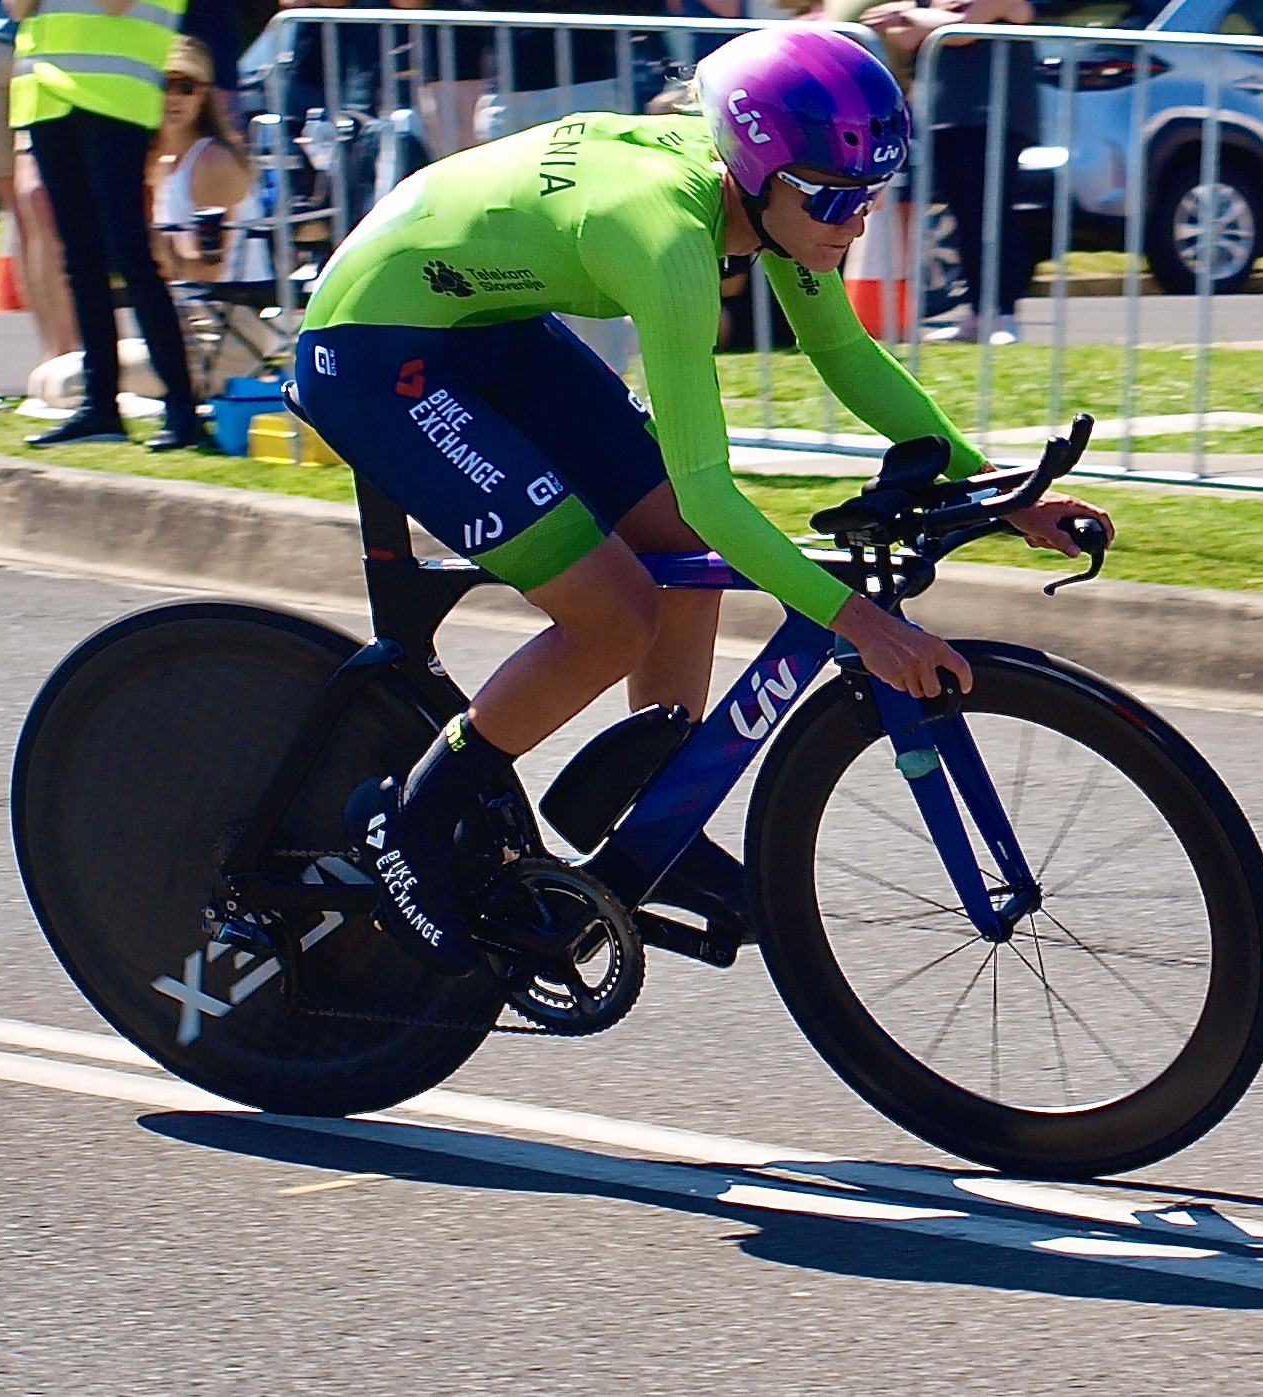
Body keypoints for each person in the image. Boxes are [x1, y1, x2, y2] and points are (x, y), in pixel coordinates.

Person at [293, 26, 1113, 972]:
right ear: (761, 173)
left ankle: (656, 819)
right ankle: (407, 821)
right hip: (372, 352)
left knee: (685, 553)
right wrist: (865, 628)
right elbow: (713, 488)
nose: (853, 223)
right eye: (836, 199)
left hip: (483, 322)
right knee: (612, 615)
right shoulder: (668, 241)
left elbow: (842, 352)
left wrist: (996, 492)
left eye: (872, 196)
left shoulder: (776, 197)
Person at [8, 0, 201, 451]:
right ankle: (100, 408)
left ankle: (183, 411)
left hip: (114, 97)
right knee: (81, 261)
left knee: (132, 257)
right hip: (46, 95)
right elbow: (18, 9)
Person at [843, 0, 1037, 345]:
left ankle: (1004, 314)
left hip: (993, 112)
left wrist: (908, 16)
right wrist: (919, 19)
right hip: (944, 115)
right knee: (962, 218)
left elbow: (963, 30)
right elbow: (906, 39)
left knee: (992, 216)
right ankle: (978, 315)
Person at [0, 0, 78, 363]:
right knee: (22, 216)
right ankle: (56, 357)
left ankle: (78, 357)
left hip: (54, 55)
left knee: (44, 207)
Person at [151, 37, 268, 283]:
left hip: (235, 313)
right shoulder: (164, 164)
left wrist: (150, 244)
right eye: (163, 84)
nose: (172, 97)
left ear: (203, 96)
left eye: (185, 86)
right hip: (192, 311)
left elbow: (208, 274)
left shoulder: (212, 163)